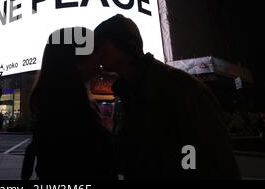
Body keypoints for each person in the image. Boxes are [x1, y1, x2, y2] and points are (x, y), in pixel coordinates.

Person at [86, 14, 240, 179]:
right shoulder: (124, 92)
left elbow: (210, 155)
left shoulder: (180, 87)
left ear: (126, 44)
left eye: (102, 43)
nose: (97, 51)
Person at [24, 27, 117, 180]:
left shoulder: (52, 104)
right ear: (76, 59)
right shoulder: (73, 116)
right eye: (95, 51)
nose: (100, 56)